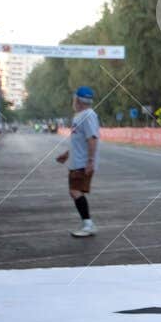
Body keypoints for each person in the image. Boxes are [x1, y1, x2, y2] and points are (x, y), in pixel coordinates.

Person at [54, 86, 100, 237]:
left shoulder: (88, 115)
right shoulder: (79, 116)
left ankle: (88, 225)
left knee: (75, 191)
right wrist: (67, 155)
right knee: (74, 192)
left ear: (78, 99)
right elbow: (78, 141)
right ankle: (87, 223)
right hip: (76, 161)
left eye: (74, 98)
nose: (73, 101)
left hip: (82, 162)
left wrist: (90, 161)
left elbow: (92, 138)